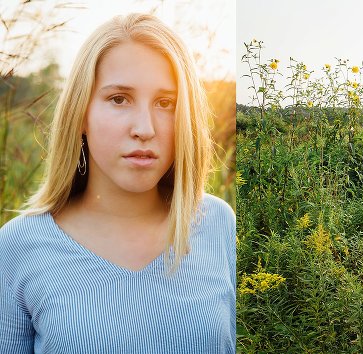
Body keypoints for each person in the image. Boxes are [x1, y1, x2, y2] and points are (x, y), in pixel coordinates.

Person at [0, 14, 235, 353]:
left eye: (165, 103)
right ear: (81, 113)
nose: (145, 128)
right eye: (119, 99)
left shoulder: (217, 223)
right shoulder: (17, 247)